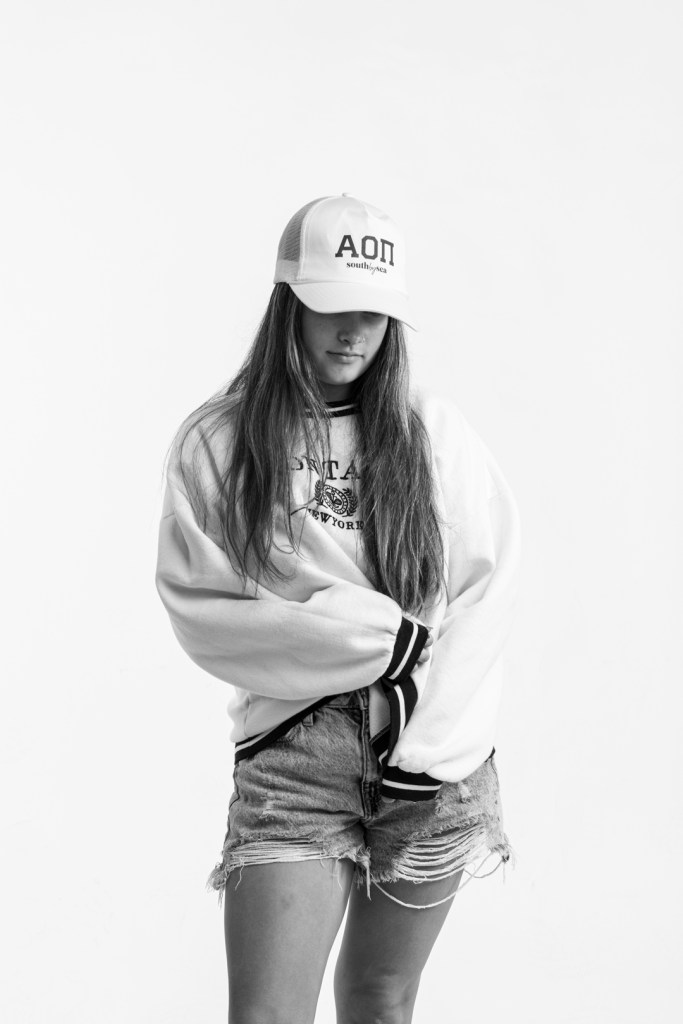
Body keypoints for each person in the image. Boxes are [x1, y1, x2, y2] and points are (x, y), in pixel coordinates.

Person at [155, 193, 522, 1024]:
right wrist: (375, 637)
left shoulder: (433, 434)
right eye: (330, 307)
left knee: (379, 1001)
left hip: (436, 757)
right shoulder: (218, 442)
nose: (353, 331)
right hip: (296, 754)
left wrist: (426, 753)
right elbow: (203, 609)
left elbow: (482, 594)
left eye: (375, 312)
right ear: (289, 301)